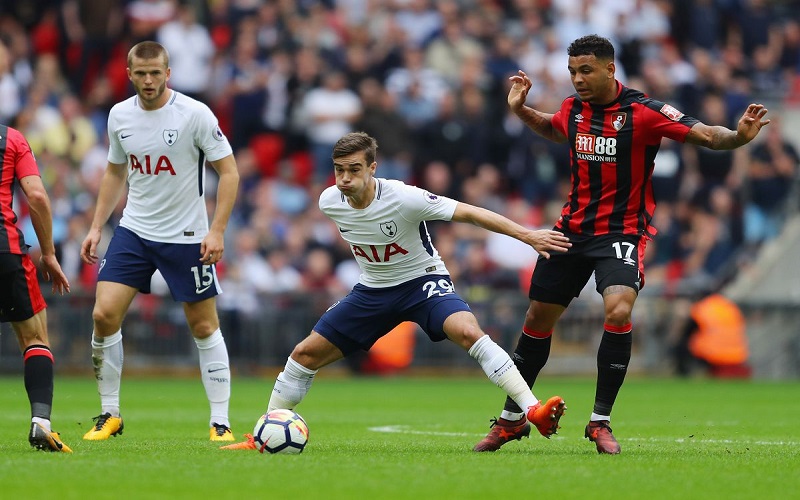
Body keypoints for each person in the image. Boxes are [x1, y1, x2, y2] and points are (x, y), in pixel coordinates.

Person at [473, 34, 770, 455]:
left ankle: (599, 422)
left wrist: (738, 137)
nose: (578, 79)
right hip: (571, 230)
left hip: (621, 232)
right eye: (572, 71)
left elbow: (706, 134)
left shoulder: (644, 112)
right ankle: (511, 419)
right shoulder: (572, 109)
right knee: (537, 318)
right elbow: (553, 128)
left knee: (618, 308)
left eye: (586, 70)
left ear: (610, 69)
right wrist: (521, 109)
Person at [221, 131, 572, 450]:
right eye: (339, 170)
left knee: (468, 332)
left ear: (372, 168)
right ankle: (262, 438)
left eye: (354, 170)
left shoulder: (404, 197)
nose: (345, 178)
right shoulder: (329, 201)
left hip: (422, 282)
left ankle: (533, 410)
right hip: (373, 290)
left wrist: (527, 235)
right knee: (303, 355)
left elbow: (470, 213)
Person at [79, 41, 240, 442]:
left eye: (155, 73)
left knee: (204, 325)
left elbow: (230, 172)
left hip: (187, 236)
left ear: (168, 73)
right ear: (129, 74)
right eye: (141, 73)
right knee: (103, 315)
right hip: (135, 231)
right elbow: (115, 172)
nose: (148, 80)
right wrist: (97, 226)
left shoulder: (194, 114)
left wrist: (217, 230)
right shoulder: (119, 115)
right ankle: (109, 413)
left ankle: (220, 422)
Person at [0, 123, 72, 452]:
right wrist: (49, 253)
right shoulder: (11, 139)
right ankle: (41, 423)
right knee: (34, 338)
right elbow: (38, 196)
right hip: (5, 251)